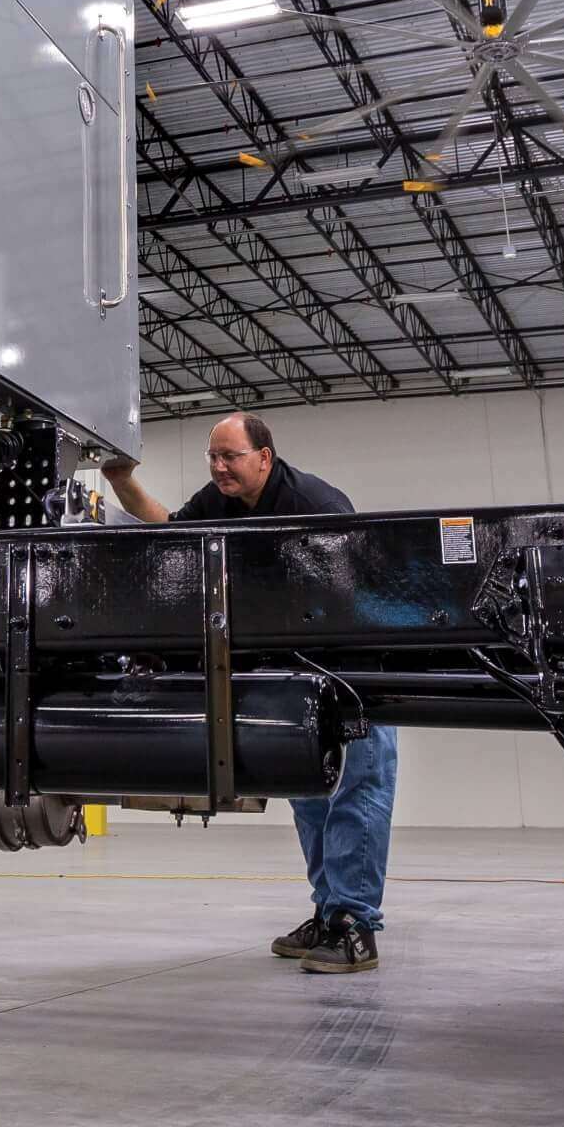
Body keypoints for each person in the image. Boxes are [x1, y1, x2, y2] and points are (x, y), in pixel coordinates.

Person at [101, 412, 393, 975]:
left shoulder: (313, 503)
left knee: (357, 793)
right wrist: (122, 481)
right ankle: (328, 913)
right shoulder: (222, 499)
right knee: (311, 795)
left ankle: (356, 925)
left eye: (229, 456)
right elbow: (171, 532)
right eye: (213, 457)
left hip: (352, 669)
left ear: (264, 456)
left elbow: (354, 591)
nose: (218, 467)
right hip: (299, 672)